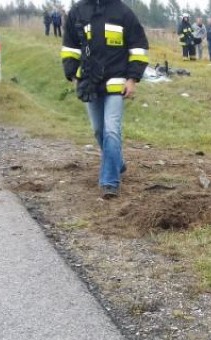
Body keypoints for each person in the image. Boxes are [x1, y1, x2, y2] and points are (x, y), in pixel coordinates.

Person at [60, 0, 149, 199]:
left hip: (116, 84)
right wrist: (73, 73)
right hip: (90, 83)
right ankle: (117, 162)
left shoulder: (124, 12)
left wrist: (133, 79)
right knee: (98, 130)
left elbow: (138, 47)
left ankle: (110, 182)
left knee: (111, 129)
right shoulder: (78, 11)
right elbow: (70, 47)